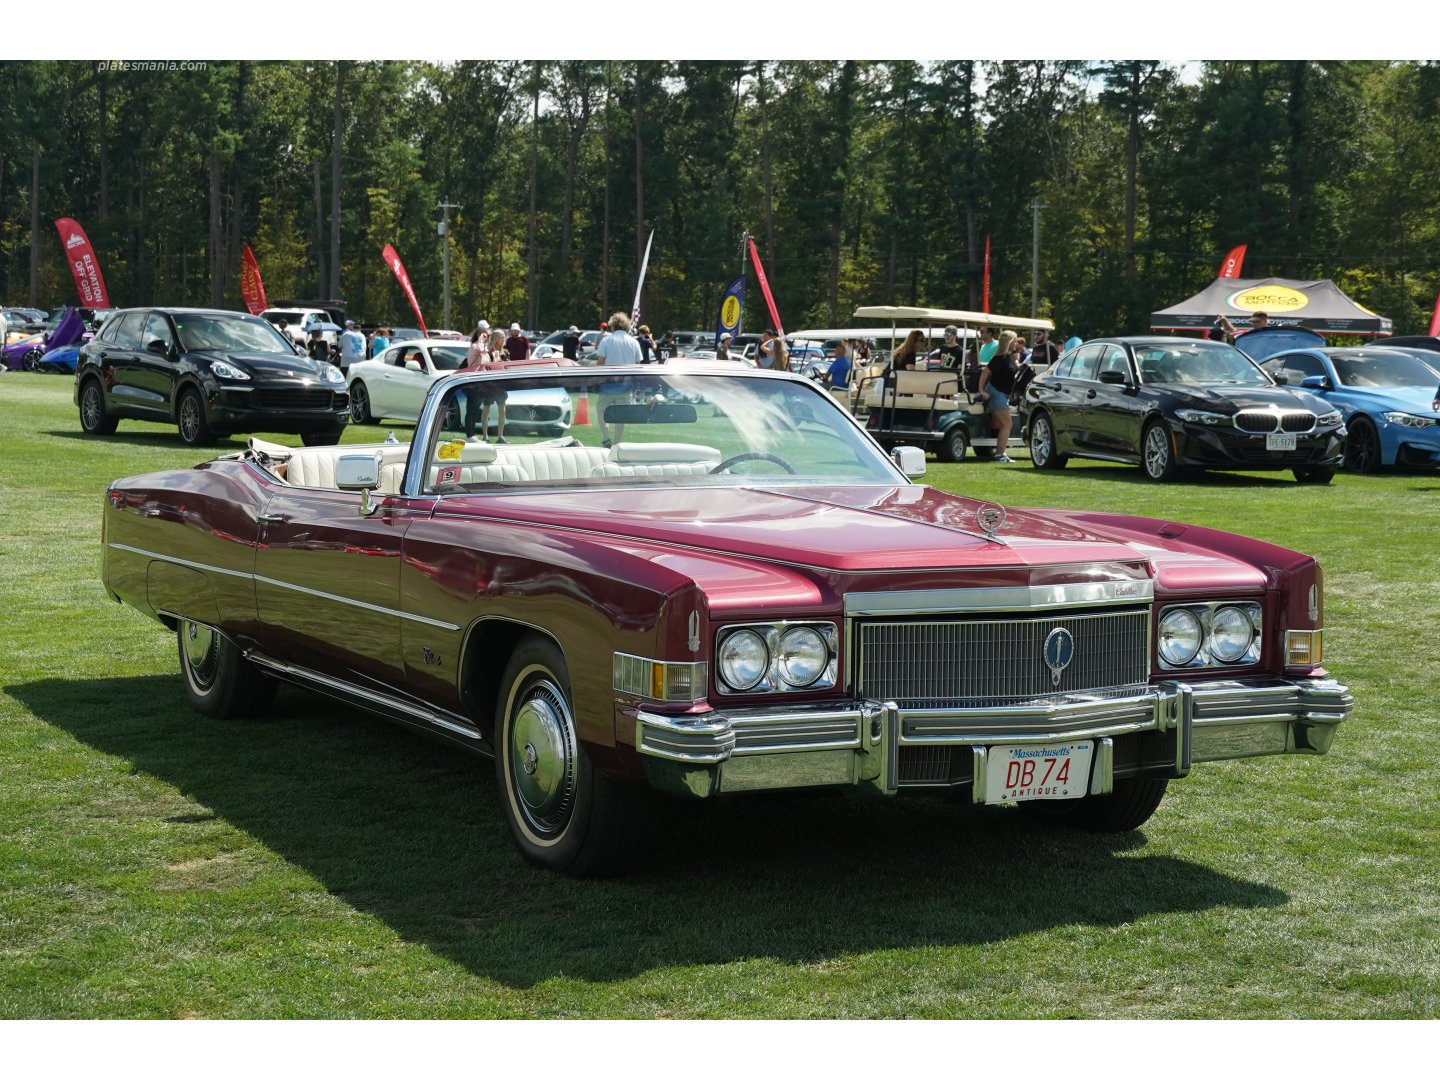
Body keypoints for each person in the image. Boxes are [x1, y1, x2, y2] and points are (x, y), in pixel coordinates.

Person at [594, 311, 644, 447]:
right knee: (621, 416)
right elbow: (637, 366)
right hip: (626, 386)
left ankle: (605, 438)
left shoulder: (606, 340)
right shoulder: (634, 342)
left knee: (601, 411)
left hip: (607, 386)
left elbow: (600, 363)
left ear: (612, 326)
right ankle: (617, 443)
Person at [978, 331, 1019, 463]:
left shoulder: (1009, 357)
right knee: (1007, 424)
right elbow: (985, 373)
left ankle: (998, 452)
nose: (1017, 344)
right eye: (1015, 341)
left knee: (1000, 424)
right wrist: (981, 390)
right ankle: (1000, 455)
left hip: (1003, 394)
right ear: (1009, 342)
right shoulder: (999, 358)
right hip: (996, 393)